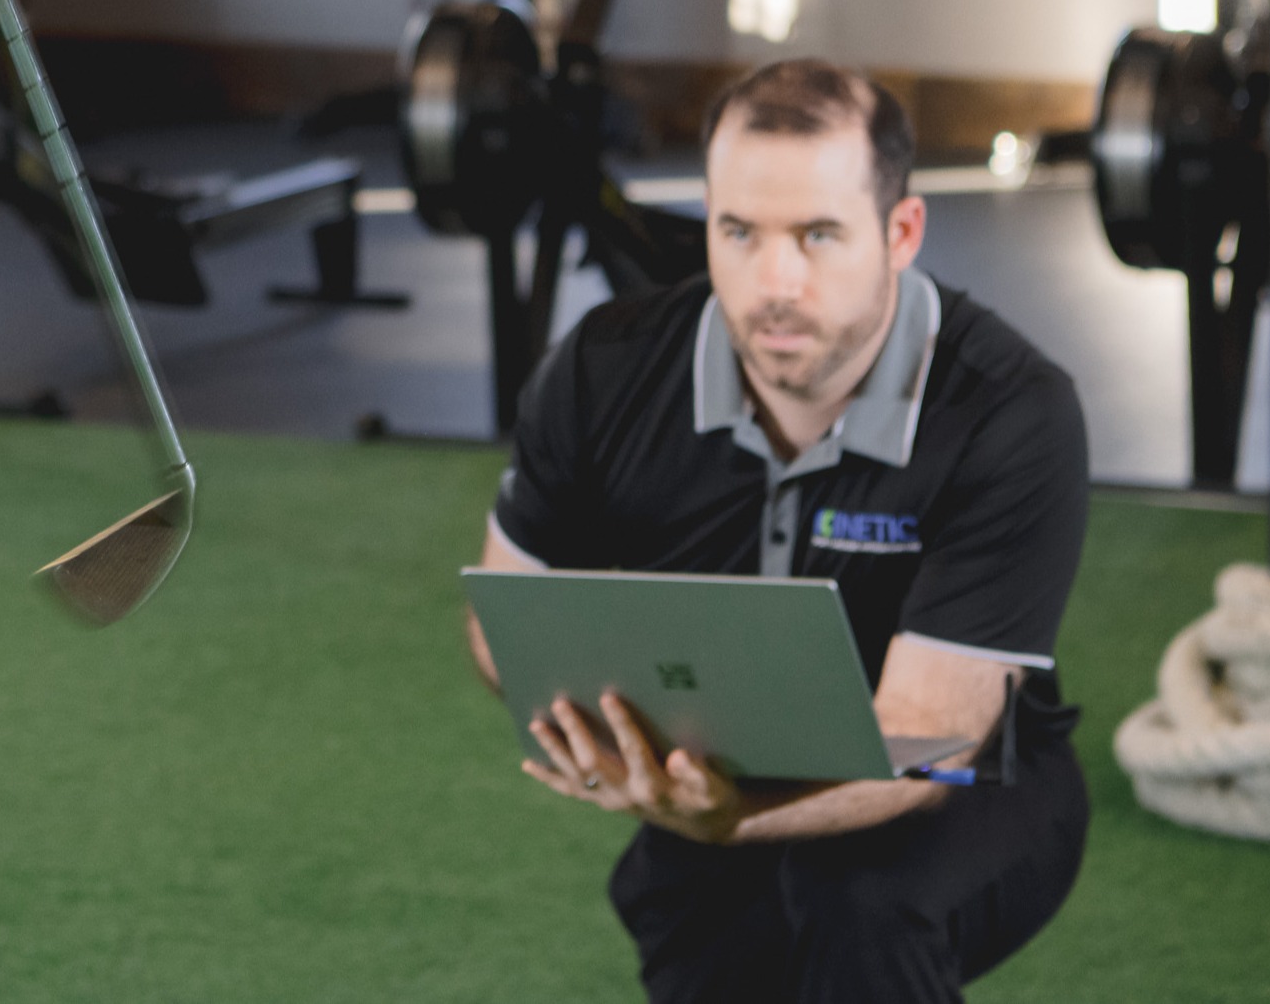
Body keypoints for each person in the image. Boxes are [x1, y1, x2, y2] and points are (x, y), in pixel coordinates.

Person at [466, 58, 1091, 1004]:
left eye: (817, 235)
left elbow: (933, 736)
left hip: (975, 782)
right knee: (685, 910)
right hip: (723, 760)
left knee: (856, 901)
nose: (773, 282)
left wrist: (734, 822)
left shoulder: (1011, 412)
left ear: (901, 233)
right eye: (738, 232)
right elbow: (501, 616)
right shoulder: (602, 369)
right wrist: (607, 734)